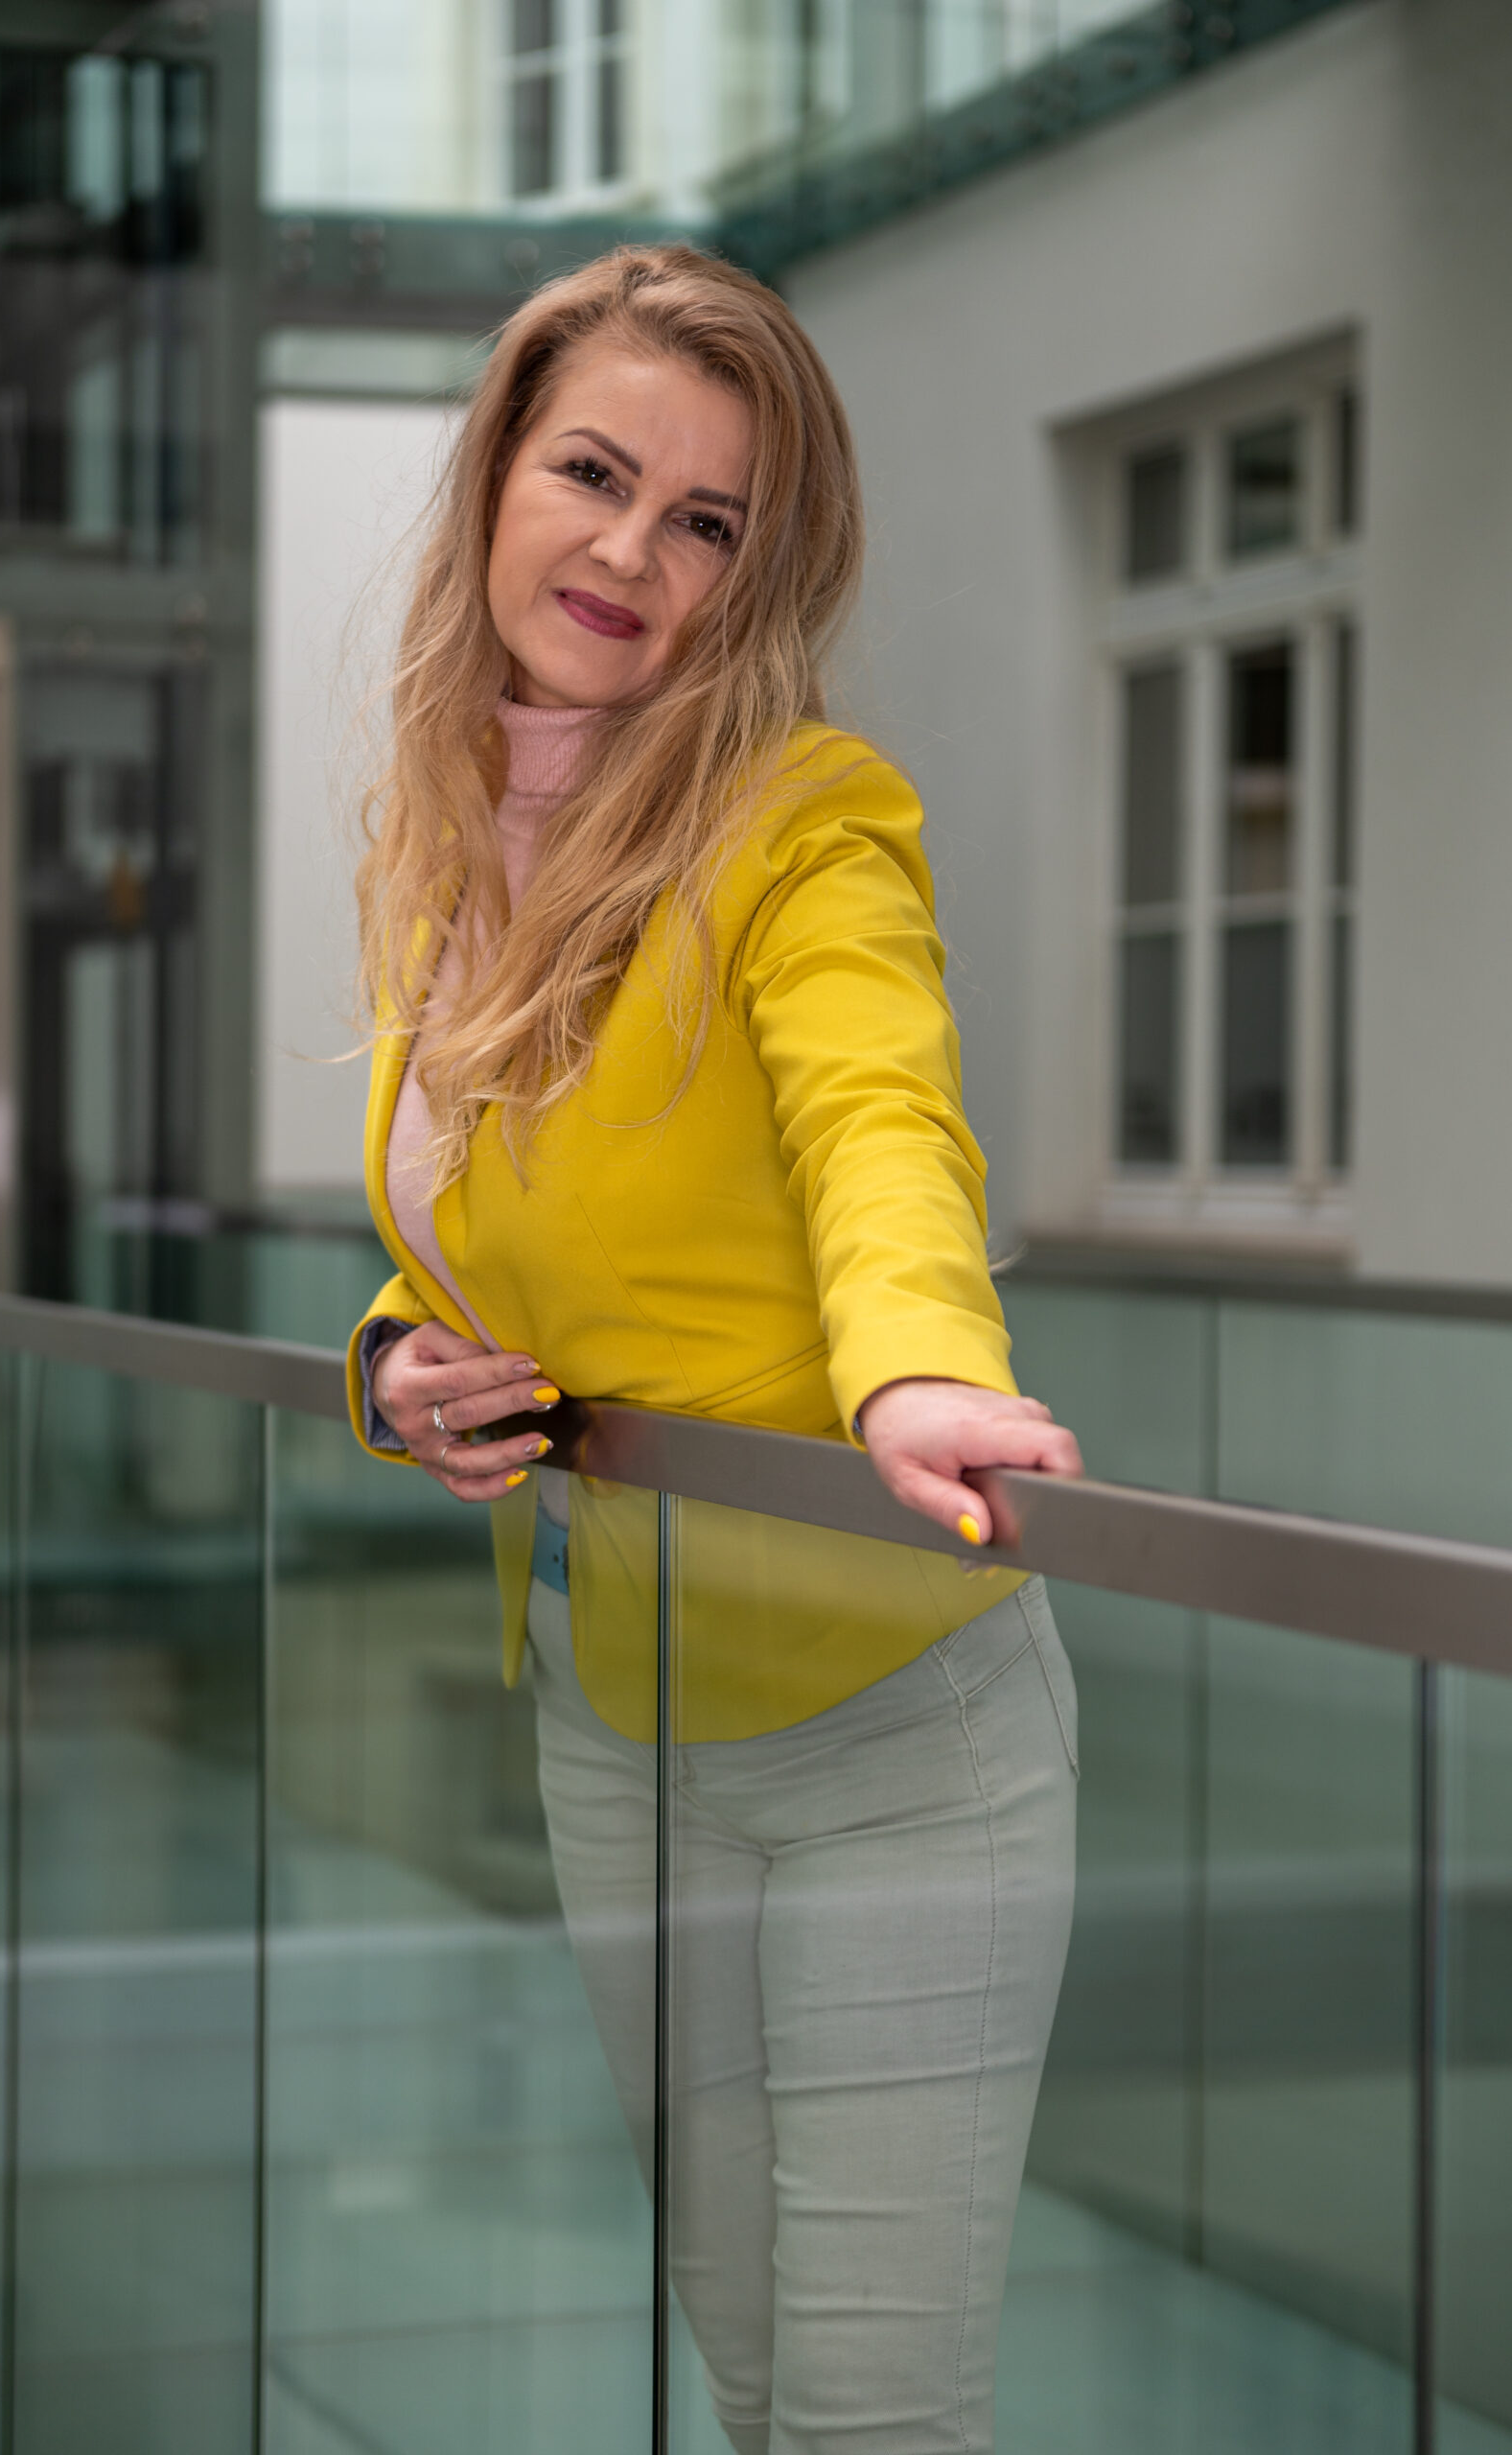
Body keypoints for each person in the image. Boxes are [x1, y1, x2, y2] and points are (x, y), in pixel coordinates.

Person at [346, 244, 1082, 2455]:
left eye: (706, 522)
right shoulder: (446, 841)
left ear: (757, 575)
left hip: (900, 1738)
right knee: (750, 2378)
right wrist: (396, 1362)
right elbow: (488, 1218)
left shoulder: (800, 813)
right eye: (592, 472)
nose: (630, 554)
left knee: (870, 2411)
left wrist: (915, 1365)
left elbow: (878, 1115)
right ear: (499, 471)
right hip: (618, 1718)